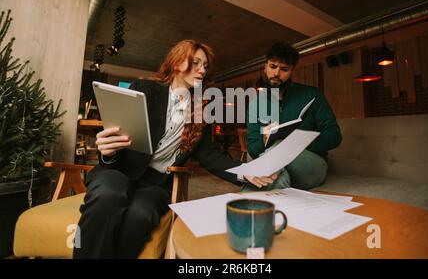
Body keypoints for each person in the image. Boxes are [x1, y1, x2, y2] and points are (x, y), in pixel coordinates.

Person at [73, 40, 276, 259]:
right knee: (109, 193)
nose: (202, 70)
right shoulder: (145, 89)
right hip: (118, 170)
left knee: (141, 214)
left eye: (205, 66)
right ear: (177, 62)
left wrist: (245, 170)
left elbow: (209, 155)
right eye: (196, 62)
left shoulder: (203, 107)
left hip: (155, 182)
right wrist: (108, 152)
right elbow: (118, 136)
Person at [246, 43, 342, 191]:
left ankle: (246, 200)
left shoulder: (312, 95)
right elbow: (252, 149)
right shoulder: (255, 104)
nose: (277, 73)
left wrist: (298, 142)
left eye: (284, 69)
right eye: (272, 66)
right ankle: (271, 204)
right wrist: (264, 138)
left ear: (292, 71)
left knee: (278, 146)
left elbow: (334, 136)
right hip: (276, 166)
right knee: (277, 170)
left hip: (311, 165)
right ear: (265, 67)